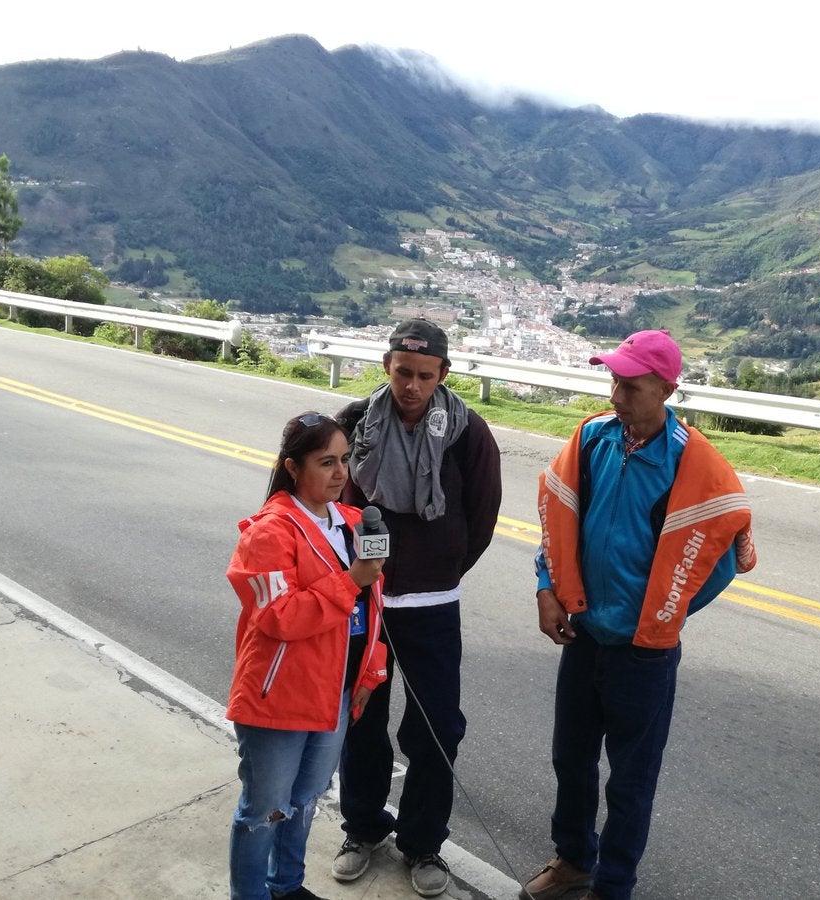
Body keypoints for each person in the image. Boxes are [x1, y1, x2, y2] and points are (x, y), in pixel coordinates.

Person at [524, 330, 757, 900]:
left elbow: (717, 564)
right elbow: (559, 520)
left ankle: (614, 884)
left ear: (667, 389)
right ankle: (574, 859)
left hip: (643, 653)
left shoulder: (692, 464)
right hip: (584, 636)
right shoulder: (592, 439)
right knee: (571, 760)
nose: (617, 394)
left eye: (631, 385)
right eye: (614, 381)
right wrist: (546, 587)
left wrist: (663, 613)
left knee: (631, 780)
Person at [330, 318, 502, 898]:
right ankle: (361, 829)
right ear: (386, 367)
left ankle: (424, 843)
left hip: (432, 603)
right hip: (365, 599)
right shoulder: (354, 424)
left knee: (436, 730)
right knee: (362, 718)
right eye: (402, 373)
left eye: (424, 375)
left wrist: (442, 568)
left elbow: (481, 518)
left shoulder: (467, 433)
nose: (411, 385)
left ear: (442, 376)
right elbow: (330, 501)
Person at [225, 411, 389, 900]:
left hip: (335, 693)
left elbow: (376, 609)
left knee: (304, 800)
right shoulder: (268, 534)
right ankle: (250, 894)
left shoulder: (357, 524)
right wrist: (351, 580)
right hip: (280, 698)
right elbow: (280, 617)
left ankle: (286, 885)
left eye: (345, 460)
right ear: (293, 468)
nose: (341, 473)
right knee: (265, 808)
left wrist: (370, 671)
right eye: (326, 462)